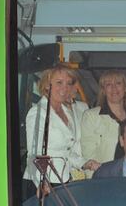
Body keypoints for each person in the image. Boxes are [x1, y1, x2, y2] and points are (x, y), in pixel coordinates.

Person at [23, 64, 100, 197]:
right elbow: (33, 153)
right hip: (43, 184)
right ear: (47, 85)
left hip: (63, 181)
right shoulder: (37, 112)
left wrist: (85, 163)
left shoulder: (67, 112)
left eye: (69, 83)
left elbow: (67, 152)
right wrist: (42, 181)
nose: (65, 88)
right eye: (59, 82)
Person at [81, 70, 126, 177]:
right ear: (103, 90)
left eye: (118, 83)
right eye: (108, 84)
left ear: (125, 88)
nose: (114, 88)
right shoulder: (91, 116)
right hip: (104, 178)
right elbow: (88, 154)